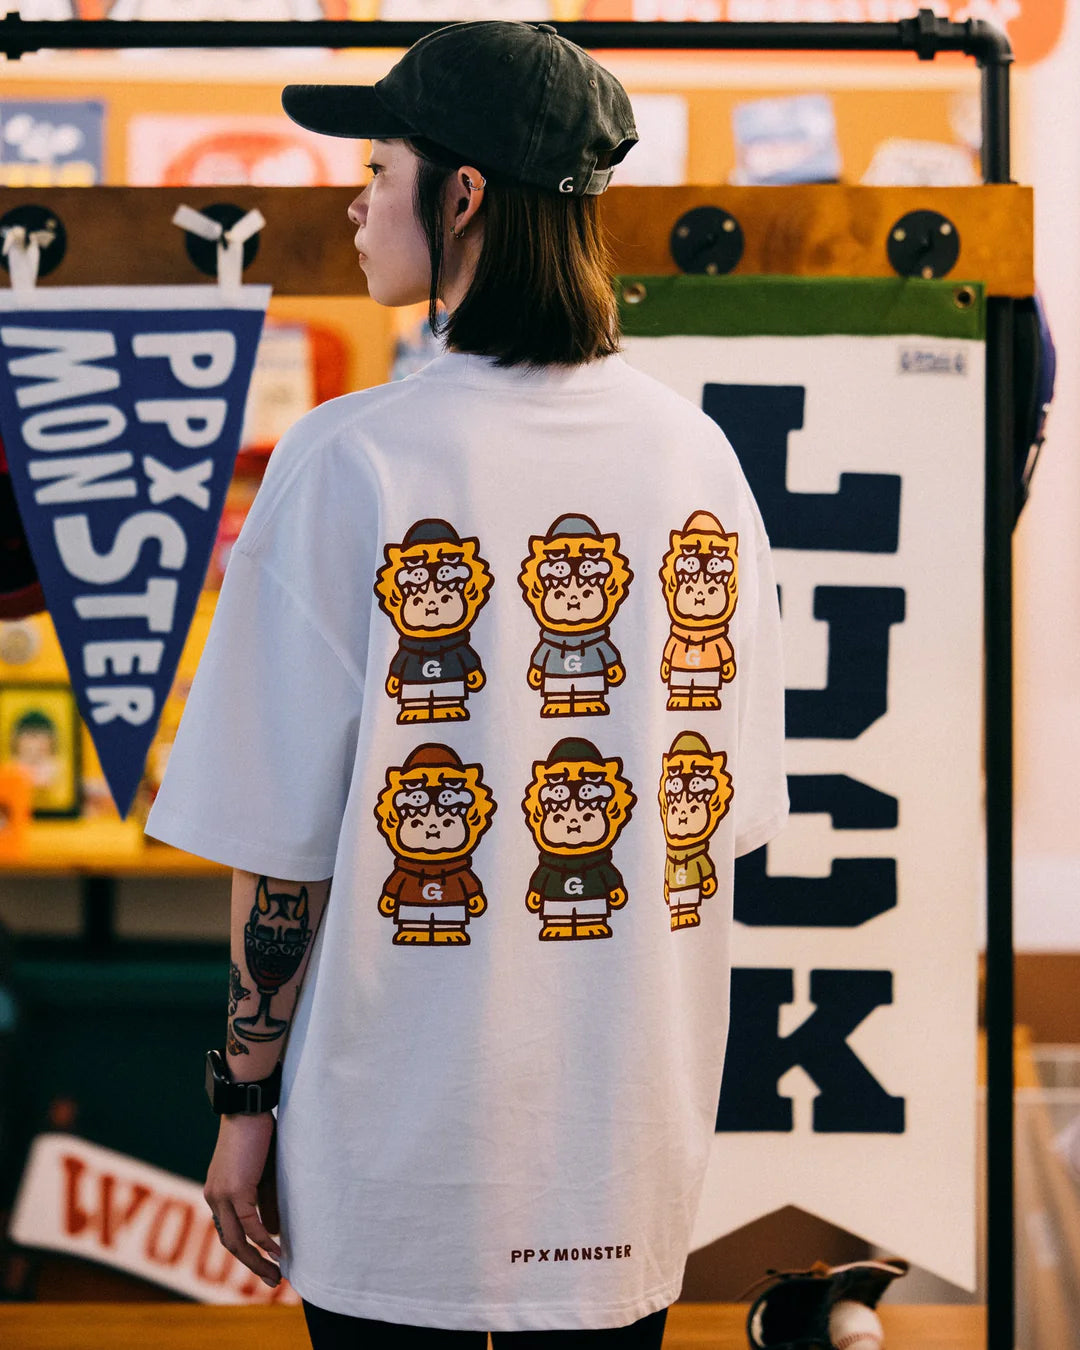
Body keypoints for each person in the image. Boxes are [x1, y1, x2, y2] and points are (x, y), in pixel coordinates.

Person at [144, 20, 787, 1350]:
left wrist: (241, 1103)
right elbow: (718, 821)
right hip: (626, 1152)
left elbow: (281, 847)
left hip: (396, 1154)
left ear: (464, 194)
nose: (353, 195)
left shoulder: (348, 460)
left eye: (377, 165)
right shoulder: (699, 461)